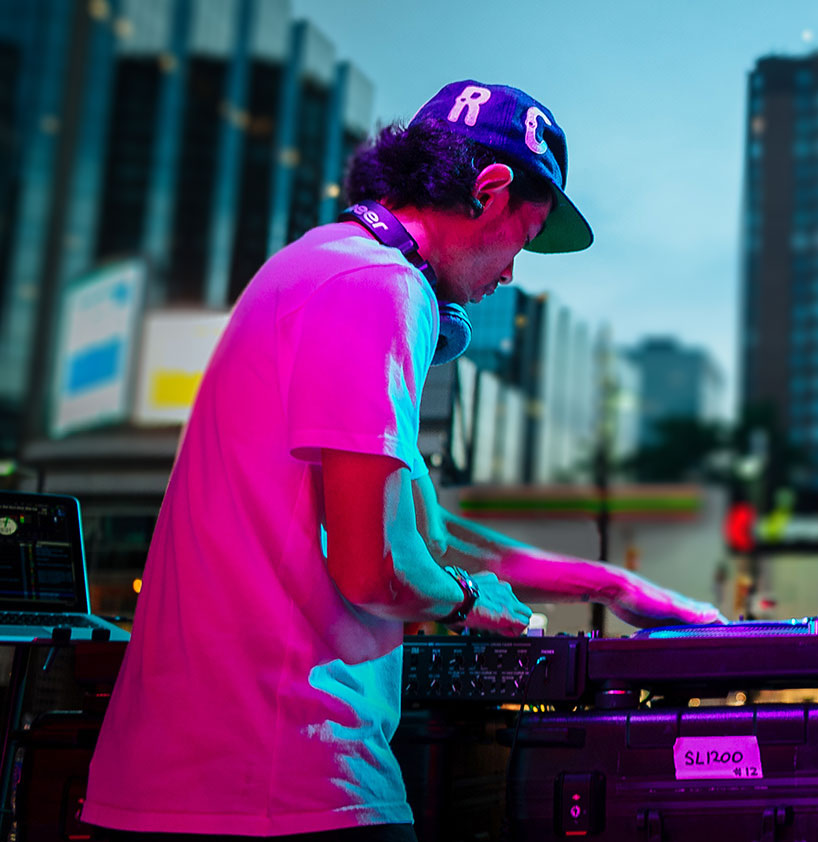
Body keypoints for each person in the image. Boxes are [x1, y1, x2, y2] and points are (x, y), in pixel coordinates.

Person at [83, 81, 721, 841]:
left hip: (175, 780)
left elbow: (425, 531)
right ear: (488, 192)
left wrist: (607, 584)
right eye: (522, 238)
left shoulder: (321, 263)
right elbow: (380, 567)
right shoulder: (382, 290)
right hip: (285, 778)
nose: (511, 274)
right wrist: (469, 603)